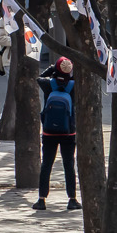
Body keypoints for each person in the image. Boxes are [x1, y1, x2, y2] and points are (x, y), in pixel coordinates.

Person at [36, 57, 80, 210]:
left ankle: (41, 200)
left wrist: (51, 70)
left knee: (46, 164)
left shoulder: (48, 84)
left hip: (49, 132)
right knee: (69, 165)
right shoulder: (74, 86)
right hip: (69, 132)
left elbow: (38, 78)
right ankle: (72, 199)